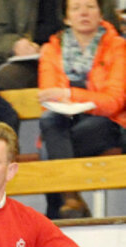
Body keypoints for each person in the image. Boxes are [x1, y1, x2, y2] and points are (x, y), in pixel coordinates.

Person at [37, 0, 126, 219]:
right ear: (66, 18)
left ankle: (67, 203)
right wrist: (67, 97)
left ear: (100, 13)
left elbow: (113, 101)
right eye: (76, 8)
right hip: (63, 122)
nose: (83, 13)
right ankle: (71, 199)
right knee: (49, 120)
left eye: (90, 6)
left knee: (51, 152)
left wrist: (70, 95)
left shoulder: (118, 46)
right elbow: (48, 94)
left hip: (109, 123)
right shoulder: (51, 48)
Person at [0, 0, 120, 90]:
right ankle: (5, 133)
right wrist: (15, 44)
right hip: (33, 60)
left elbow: (110, 28)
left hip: (85, 57)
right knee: (8, 78)